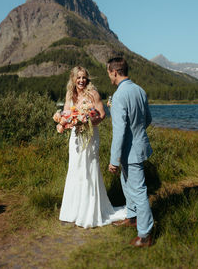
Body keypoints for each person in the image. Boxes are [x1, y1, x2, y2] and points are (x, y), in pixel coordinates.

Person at [59, 66, 126, 228]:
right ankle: (73, 211)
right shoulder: (70, 94)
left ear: (87, 79)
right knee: (75, 169)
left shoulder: (93, 93)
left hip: (90, 136)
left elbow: (102, 114)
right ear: (73, 79)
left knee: (89, 169)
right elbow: (66, 113)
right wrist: (66, 122)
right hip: (76, 137)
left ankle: (91, 211)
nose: (81, 81)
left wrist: (88, 121)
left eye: (84, 78)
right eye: (78, 78)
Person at [107, 57, 154, 247]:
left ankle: (145, 235)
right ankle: (133, 217)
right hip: (139, 146)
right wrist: (137, 133)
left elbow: (118, 132)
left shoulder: (119, 96)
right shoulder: (140, 90)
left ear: (115, 72)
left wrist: (113, 160)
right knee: (126, 183)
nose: (109, 76)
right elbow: (148, 119)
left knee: (138, 191)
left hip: (130, 151)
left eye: (109, 73)